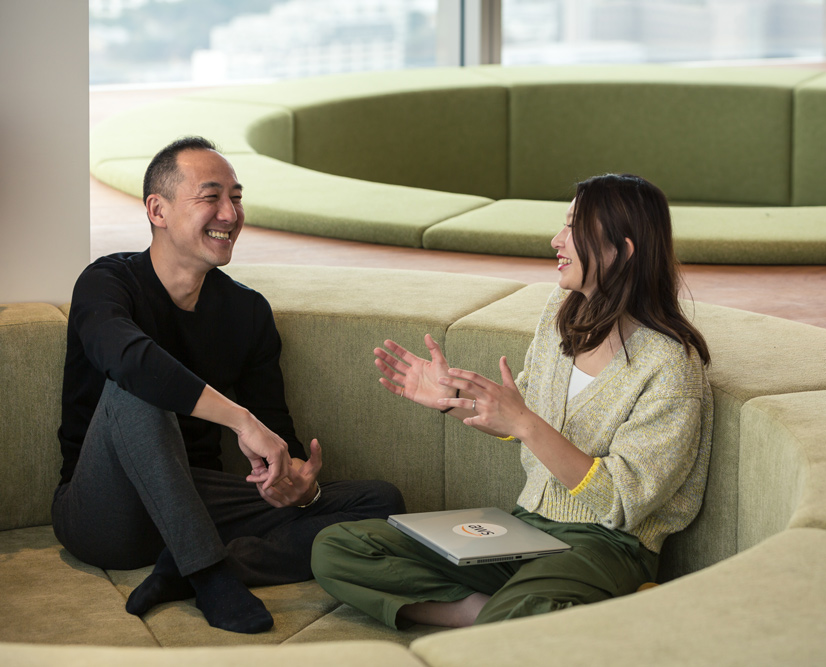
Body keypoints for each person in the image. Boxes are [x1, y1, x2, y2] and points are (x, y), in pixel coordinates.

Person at [310, 173, 713, 628]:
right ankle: (488, 616)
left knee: (526, 608)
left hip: (608, 545)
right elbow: (519, 415)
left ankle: (520, 613)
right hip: (526, 528)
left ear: (620, 249)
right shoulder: (564, 316)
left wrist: (524, 423)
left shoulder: (672, 366)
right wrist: (453, 399)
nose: (556, 240)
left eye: (572, 227)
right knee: (337, 548)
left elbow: (622, 500)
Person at [52, 136, 405, 634]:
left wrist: (297, 483)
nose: (230, 213)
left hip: (196, 500)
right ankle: (211, 574)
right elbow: (130, 361)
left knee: (380, 502)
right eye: (211, 197)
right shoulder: (106, 283)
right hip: (106, 511)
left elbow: (275, 427)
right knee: (135, 389)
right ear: (158, 209)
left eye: (236, 198)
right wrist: (240, 420)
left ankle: (186, 569)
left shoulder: (247, 311)